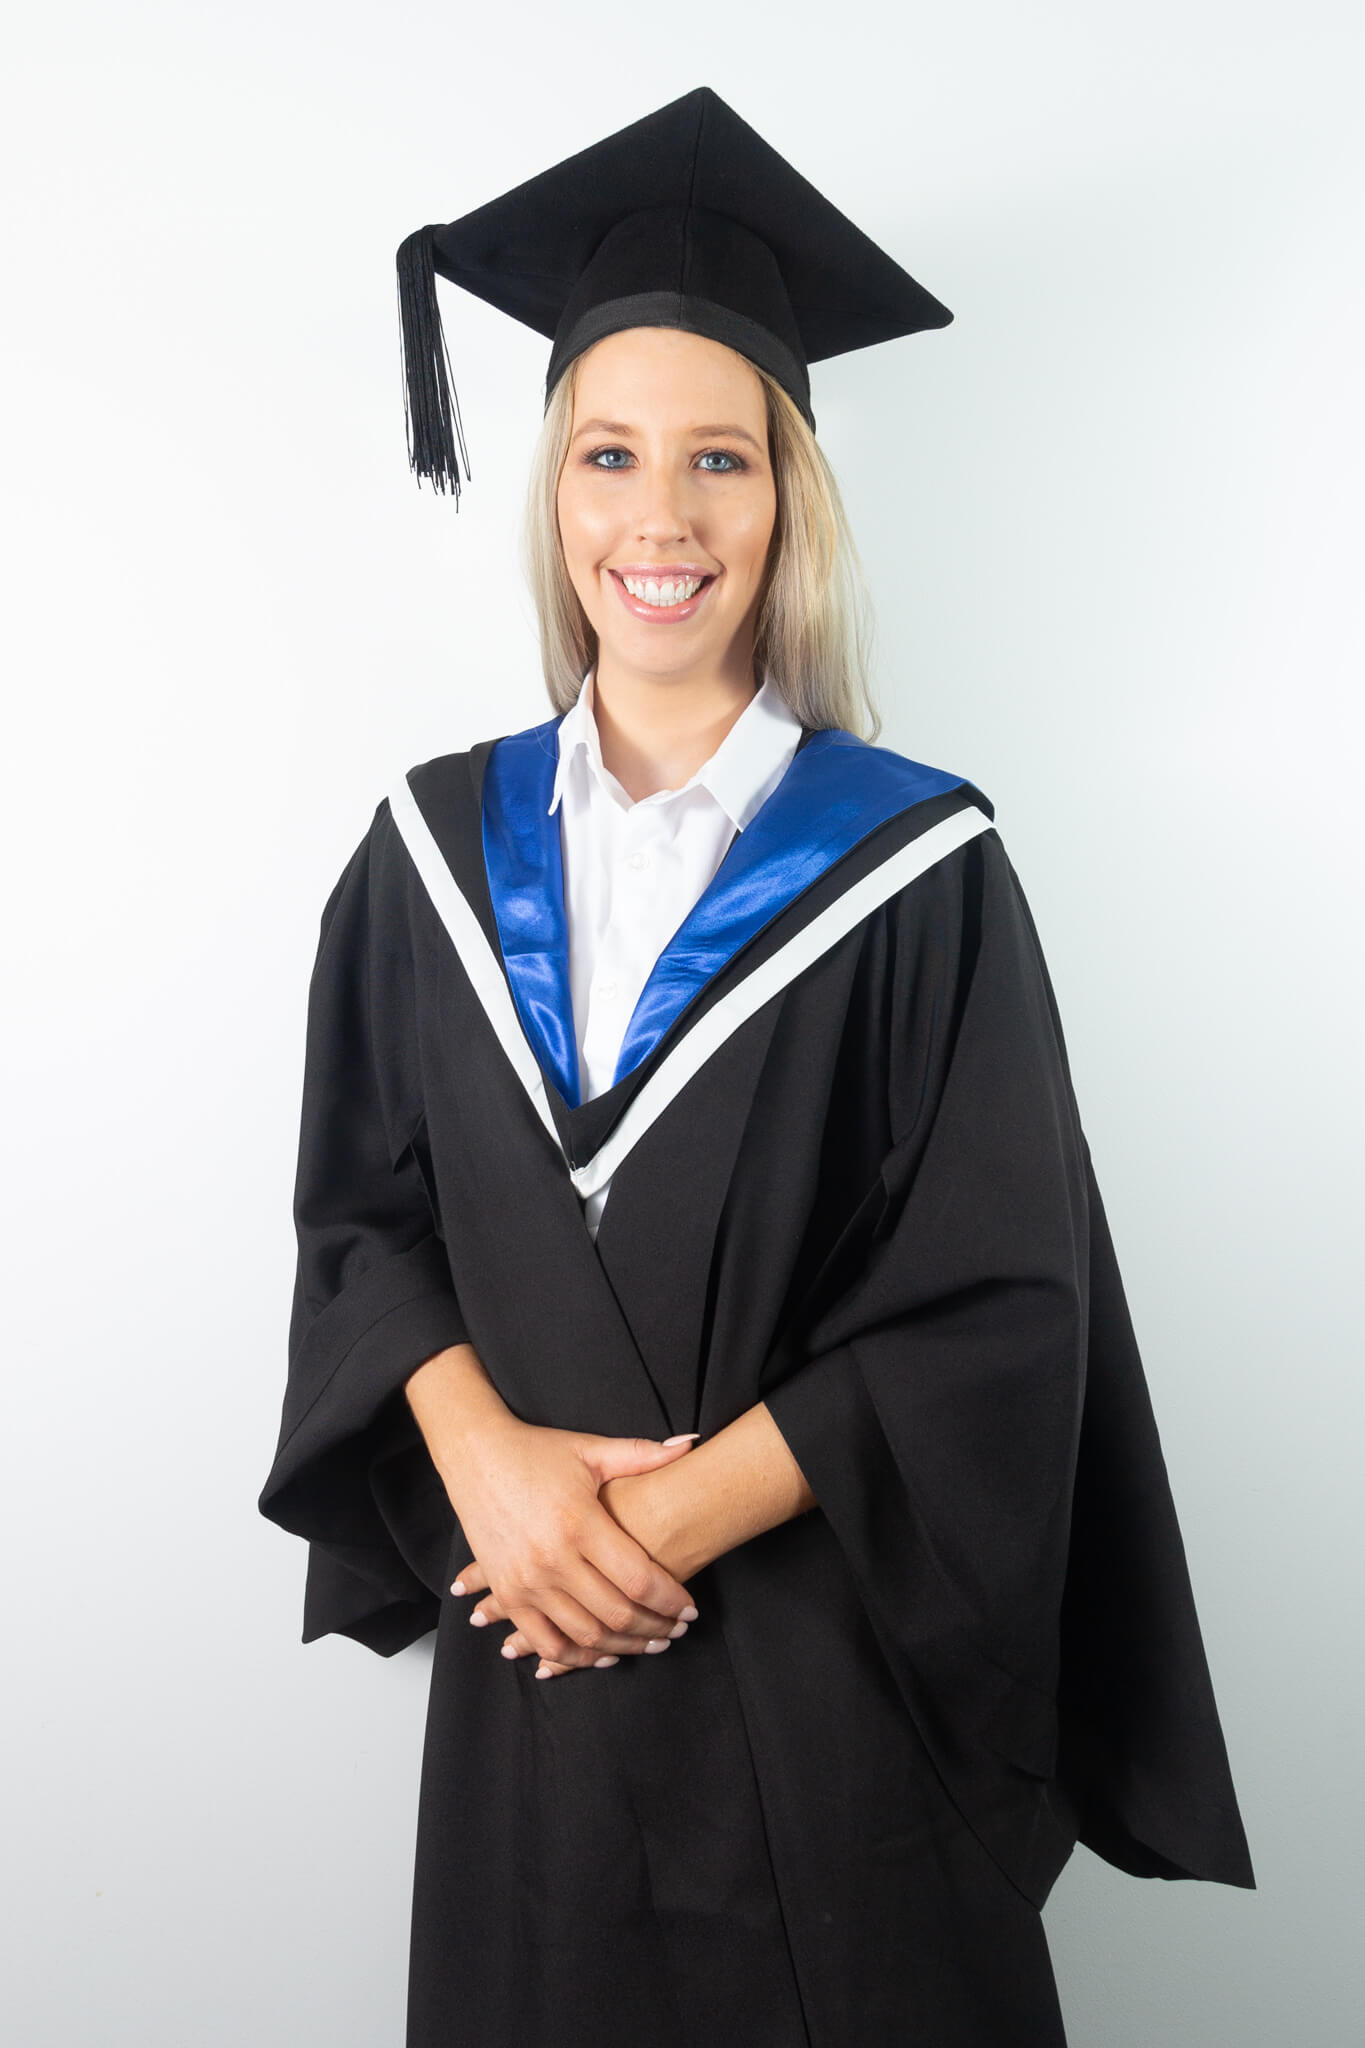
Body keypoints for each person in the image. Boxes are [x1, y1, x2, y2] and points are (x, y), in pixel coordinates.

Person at [259, 86, 1254, 2048]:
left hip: (827, 1675)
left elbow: (993, 1310)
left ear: (785, 496)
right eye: (609, 455)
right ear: (550, 495)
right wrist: (486, 1465)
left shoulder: (914, 865)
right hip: (529, 1688)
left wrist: (637, 1531)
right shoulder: (425, 859)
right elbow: (358, 1222)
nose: (661, 516)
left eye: (719, 459)